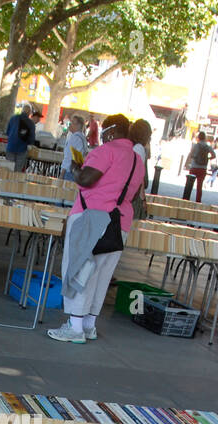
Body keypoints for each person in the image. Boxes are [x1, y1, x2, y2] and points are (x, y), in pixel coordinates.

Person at [49, 113, 145, 344]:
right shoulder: (137, 160)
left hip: (93, 219)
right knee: (102, 275)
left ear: (110, 131)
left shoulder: (106, 151)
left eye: (103, 131)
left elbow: (86, 179)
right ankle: (90, 325)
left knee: (81, 270)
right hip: (119, 222)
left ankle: (75, 327)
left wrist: (76, 167)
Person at [4, 102, 35, 173]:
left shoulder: (13, 118)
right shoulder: (31, 123)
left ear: (22, 110)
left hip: (10, 146)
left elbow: (8, 132)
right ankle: (14, 183)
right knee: (17, 170)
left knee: (9, 169)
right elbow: (31, 138)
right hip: (22, 149)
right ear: (29, 113)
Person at [185, 131, 214, 203]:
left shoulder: (196, 145)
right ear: (205, 138)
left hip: (194, 167)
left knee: (189, 184)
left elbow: (191, 155)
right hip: (203, 168)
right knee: (199, 186)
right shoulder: (208, 146)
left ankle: (186, 199)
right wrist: (208, 158)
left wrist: (192, 160)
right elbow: (214, 155)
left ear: (198, 138)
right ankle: (198, 201)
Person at [60, 112, 87, 183]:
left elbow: (68, 158)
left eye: (72, 123)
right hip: (78, 171)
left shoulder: (74, 138)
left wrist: (62, 174)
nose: (70, 125)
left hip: (70, 172)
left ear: (78, 125)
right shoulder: (82, 138)